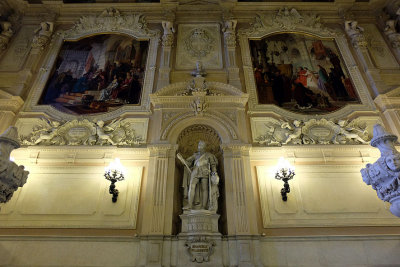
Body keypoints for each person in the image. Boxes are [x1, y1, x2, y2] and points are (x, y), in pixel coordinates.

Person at [177, 141, 219, 211]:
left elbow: (213, 164)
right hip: (195, 171)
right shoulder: (195, 155)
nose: (199, 146)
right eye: (199, 145)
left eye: (201, 145)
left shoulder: (209, 155)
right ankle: (189, 205)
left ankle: (204, 206)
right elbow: (188, 162)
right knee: (191, 186)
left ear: (204, 147)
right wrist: (182, 160)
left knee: (204, 188)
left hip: (205, 171)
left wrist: (214, 173)